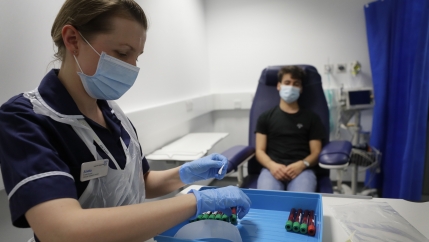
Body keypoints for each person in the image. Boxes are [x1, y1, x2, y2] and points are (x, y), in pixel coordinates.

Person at [0, 1, 251, 241]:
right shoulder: (25, 118)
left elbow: (140, 183)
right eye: (122, 53)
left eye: (137, 57)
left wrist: (186, 173)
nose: (132, 68)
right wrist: (196, 202)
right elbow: (62, 230)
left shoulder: (113, 112)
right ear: (73, 40)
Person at [255, 66, 326, 192]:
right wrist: (272, 166)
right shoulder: (265, 117)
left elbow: (316, 152)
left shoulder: (312, 118)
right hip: (272, 169)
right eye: (287, 83)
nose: (291, 87)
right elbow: (259, 150)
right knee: (268, 204)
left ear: (301, 88)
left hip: (302, 170)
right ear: (279, 86)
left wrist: (302, 164)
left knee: (299, 206)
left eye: (296, 84)